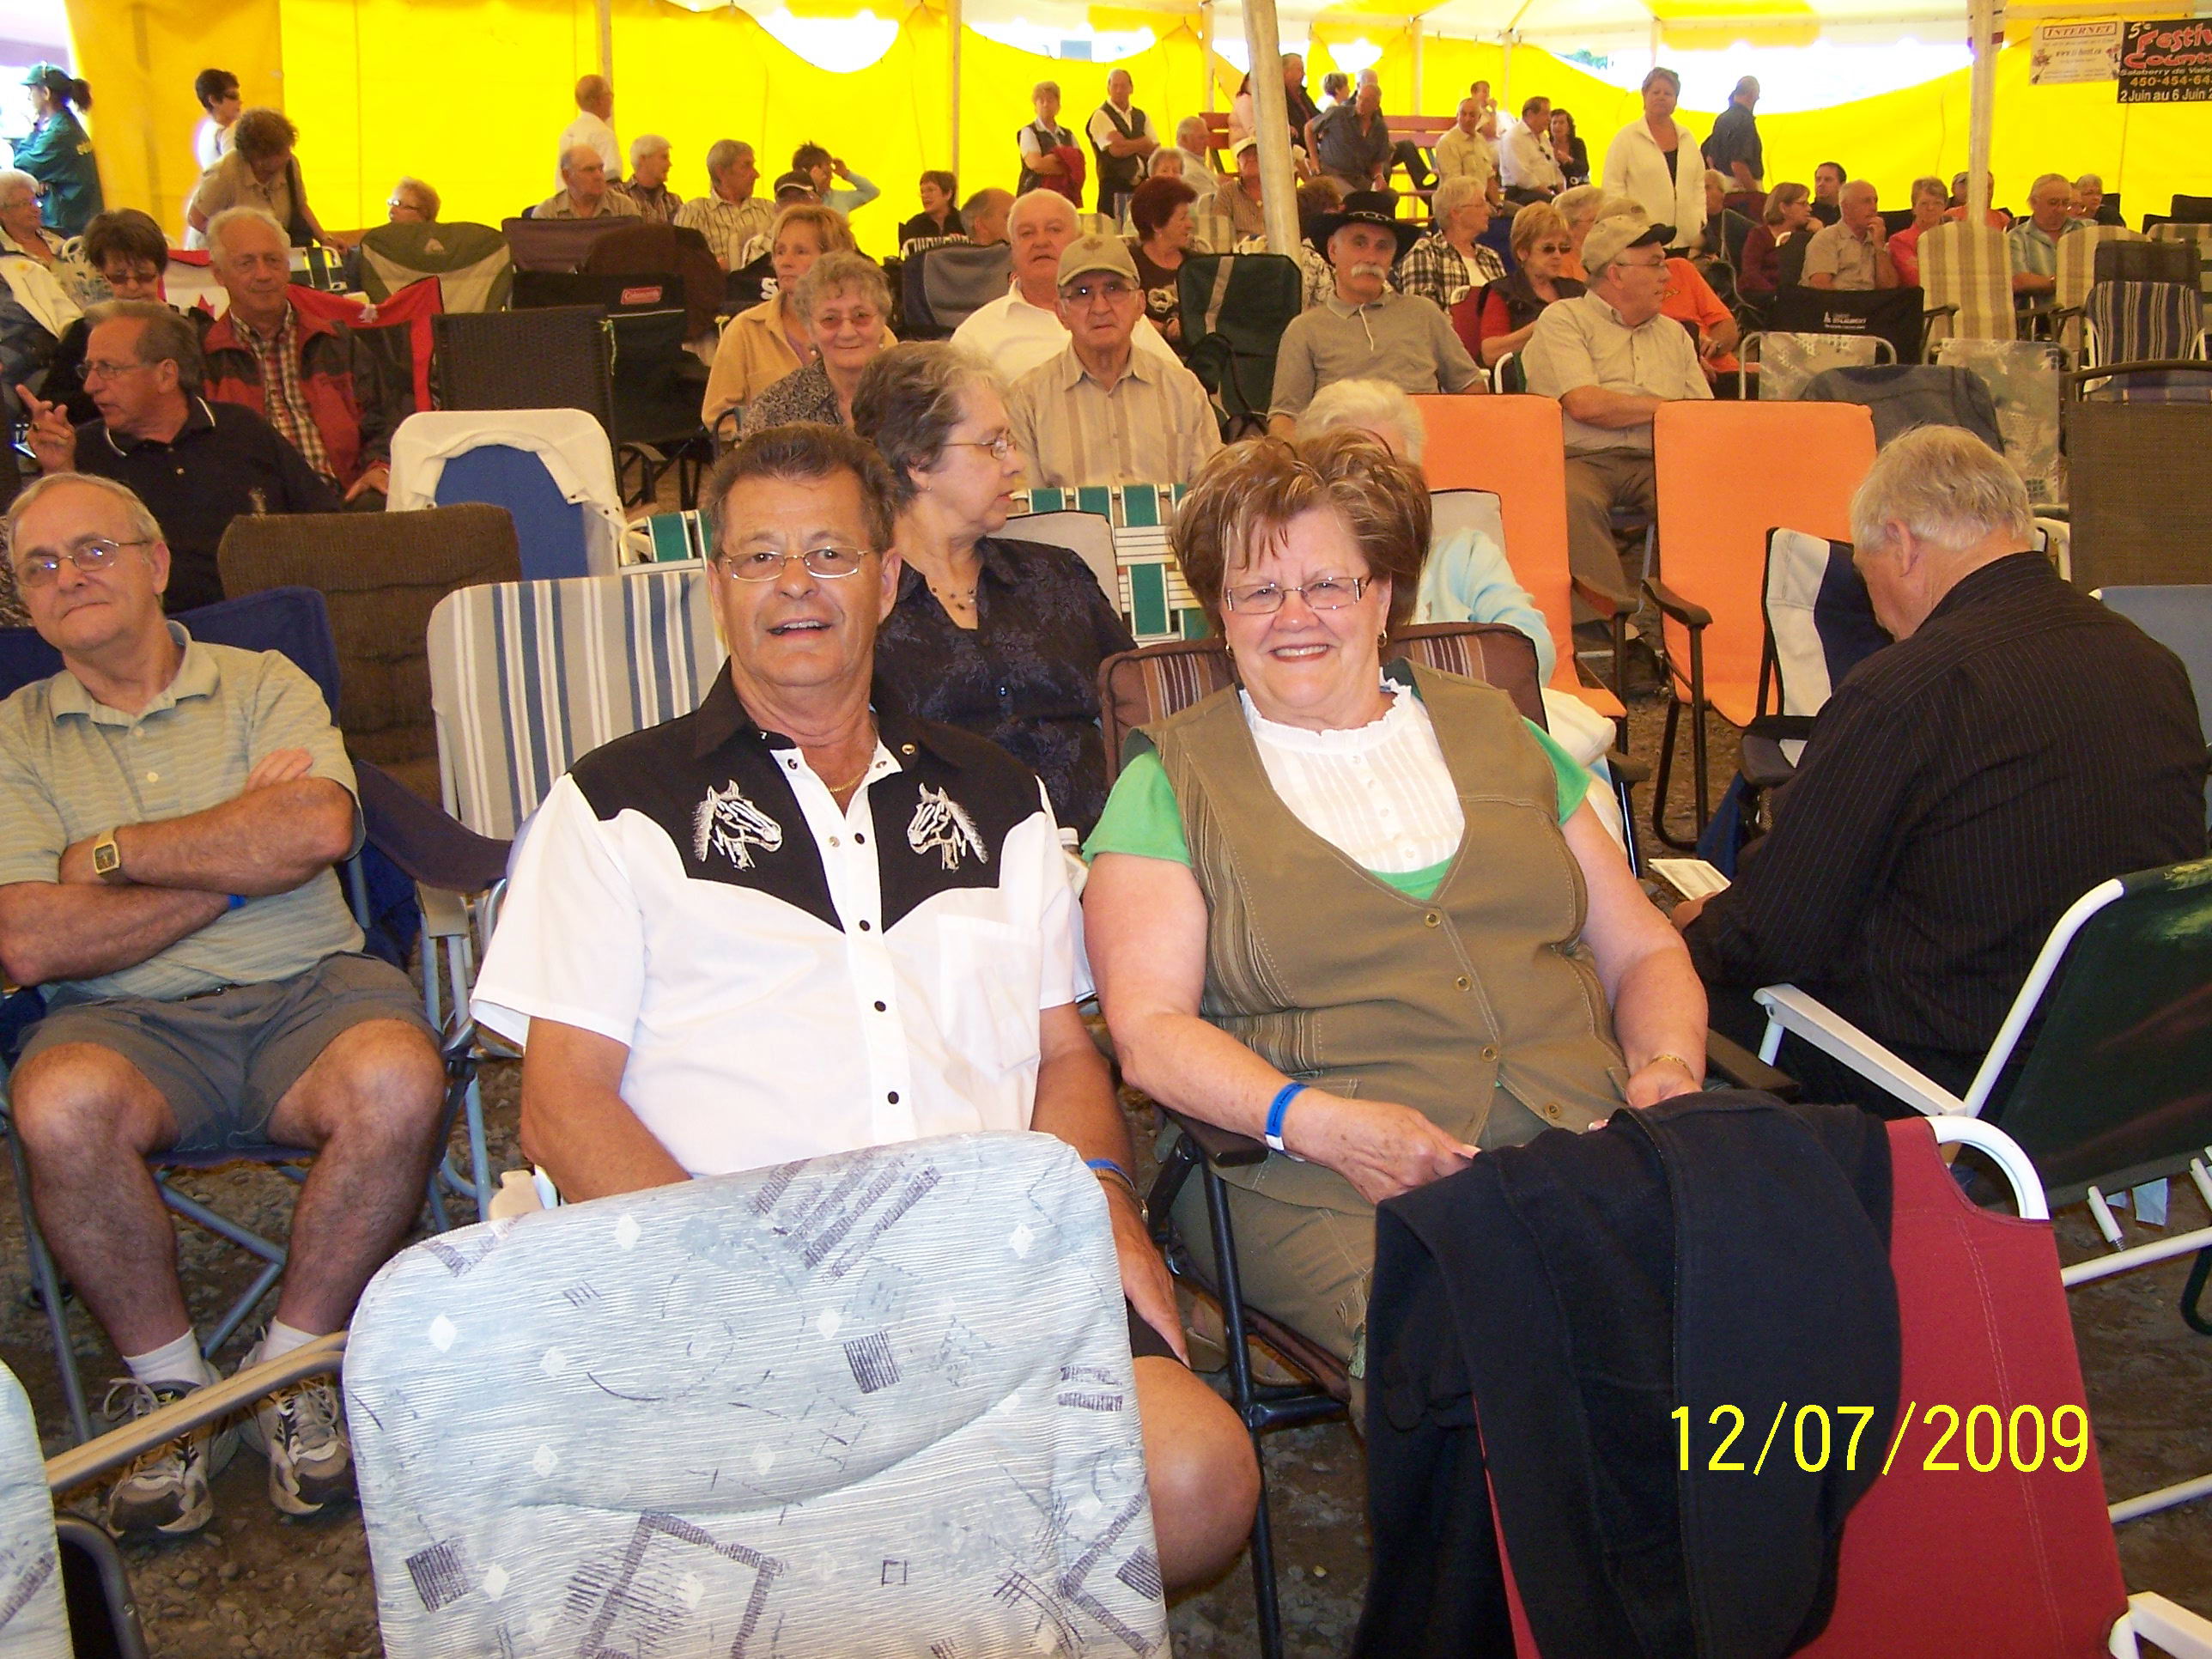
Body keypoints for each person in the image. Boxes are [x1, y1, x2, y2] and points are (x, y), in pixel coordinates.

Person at [471, 421, 1253, 1583]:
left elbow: (1064, 1055)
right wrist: (754, 1290)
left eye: (830, 554)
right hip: (728, 1274)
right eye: (760, 556)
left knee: (1195, 1478)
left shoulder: (997, 797)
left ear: (886, 581)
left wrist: (1103, 1201)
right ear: (717, 589)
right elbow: (561, 1106)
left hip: (987, 1258)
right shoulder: (616, 807)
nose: (795, 584)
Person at [1081, 430, 1706, 1400]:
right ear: (1220, 613)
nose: (1294, 617)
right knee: (1490, 1356)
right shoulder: (1170, 781)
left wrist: (1666, 1065)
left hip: (1585, 1132)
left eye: (1328, 585)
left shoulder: (1500, 731)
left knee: (1741, 1297)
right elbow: (1149, 1033)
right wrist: (1323, 1126)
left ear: (1381, 594)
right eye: (1257, 591)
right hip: (1325, 1175)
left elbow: (1642, 949)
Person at [0, 471, 447, 1535]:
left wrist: (107, 856)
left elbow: (317, 831)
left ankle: (288, 1370)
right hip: (119, 1021)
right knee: (56, 1104)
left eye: (94, 550)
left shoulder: (262, 681)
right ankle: (170, 1390)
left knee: (399, 1077)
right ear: (25, 602)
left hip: (314, 992)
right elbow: (29, 938)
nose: (70, 577)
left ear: (156, 563)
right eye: (41, 566)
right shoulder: (15, 734)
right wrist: (239, 864)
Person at [1677, 426, 2206, 1115]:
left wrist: (1687, 932)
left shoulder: (1906, 691)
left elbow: (1766, 936)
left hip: (1954, 1080)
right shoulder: (2152, 663)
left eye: (1867, 574)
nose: (1878, 613)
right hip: (2132, 1063)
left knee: (1660, 982)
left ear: (1901, 543)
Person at [851, 344, 1136, 839]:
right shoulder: (860, 603)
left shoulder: (1056, 576)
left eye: (1011, 443)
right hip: (947, 861)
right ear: (918, 461)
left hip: (1103, 850)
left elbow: (1142, 710)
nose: (1016, 463)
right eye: (993, 445)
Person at [16, 301, 342, 611]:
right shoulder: (83, 451)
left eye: (109, 369)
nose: (90, 386)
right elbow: (61, 564)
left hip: (267, 614)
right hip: (155, 631)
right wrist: (58, 470)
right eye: (89, 369)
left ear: (166, 375)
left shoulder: (242, 429)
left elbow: (326, 526)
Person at [1521, 209, 1711, 615]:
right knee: (1570, 499)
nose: (1667, 276)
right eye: (1656, 264)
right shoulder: (1564, 319)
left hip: (1658, 458)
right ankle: (1613, 626)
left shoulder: (1675, 334)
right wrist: (1667, 408)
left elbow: (1702, 418)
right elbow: (1585, 404)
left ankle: (1703, 617)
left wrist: (1640, 409)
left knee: (1707, 491)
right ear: (1616, 274)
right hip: (1580, 457)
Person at [1297, 378, 1552, 672]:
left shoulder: (1466, 556)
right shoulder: (1289, 571)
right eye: (1350, 470)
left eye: (1387, 469)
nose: (1370, 488)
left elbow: (1533, 652)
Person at [198, 208, 394, 505]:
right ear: (218, 274)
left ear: (288, 268)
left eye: (273, 260)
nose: (263, 274)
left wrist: (378, 468)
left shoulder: (337, 342)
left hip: (344, 502)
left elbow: (384, 421)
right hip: (254, 511)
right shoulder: (204, 357)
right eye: (246, 263)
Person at [1005, 234, 1222, 493]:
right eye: (1082, 293)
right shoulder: (1027, 400)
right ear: (1061, 313)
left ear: (1140, 304)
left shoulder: (1183, 390)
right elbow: (1026, 506)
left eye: (1114, 289)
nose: (1100, 307)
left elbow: (1210, 497)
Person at [1268, 191, 1478, 435]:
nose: (1371, 258)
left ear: (1392, 257)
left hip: (1425, 447)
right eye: (1359, 243)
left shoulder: (1424, 313)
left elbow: (1471, 387)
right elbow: (1285, 418)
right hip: (1341, 451)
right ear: (1333, 250)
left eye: (1382, 247)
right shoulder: (1305, 329)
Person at [948, 189, 1174, 381]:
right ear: (1012, 248)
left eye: (1054, 229)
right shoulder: (978, 335)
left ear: (1079, 240)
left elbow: (1176, 387)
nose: (1040, 242)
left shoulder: (1118, 314)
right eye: (1026, 233)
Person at [701, 203, 854, 429]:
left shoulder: (868, 331)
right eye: (780, 251)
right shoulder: (745, 329)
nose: (785, 261)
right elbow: (717, 417)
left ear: (834, 259)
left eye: (800, 251)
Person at [739, 252, 888, 434]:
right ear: (810, 329)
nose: (847, 332)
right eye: (830, 319)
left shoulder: (915, 395)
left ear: (883, 322)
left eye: (861, 316)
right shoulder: (774, 411)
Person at [45, 209, 167, 423]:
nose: (132, 286)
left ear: (160, 269)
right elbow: (51, 401)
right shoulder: (84, 331)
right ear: (103, 274)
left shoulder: (192, 325)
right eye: (119, 277)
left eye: (144, 275)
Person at [184, 107, 337, 251]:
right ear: (258, 157)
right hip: (217, 255)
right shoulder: (224, 172)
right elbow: (195, 219)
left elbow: (301, 205)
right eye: (281, 152)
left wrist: (325, 239)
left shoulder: (290, 164)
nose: (288, 156)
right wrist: (234, 241)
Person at [1461, 200, 1583, 368]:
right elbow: (1490, 353)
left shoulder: (1577, 291)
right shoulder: (1503, 292)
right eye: (1548, 249)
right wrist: (1541, 327)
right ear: (1523, 252)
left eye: (1563, 248)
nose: (1557, 255)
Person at [1601, 68, 1705, 254]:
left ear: (1676, 99)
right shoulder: (1626, 137)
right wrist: (1629, 225)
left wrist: (1699, 219)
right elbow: (1612, 186)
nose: (1661, 97)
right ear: (1644, 94)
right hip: (1642, 239)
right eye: (1656, 92)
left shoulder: (1688, 138)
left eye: (1668, 93)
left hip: (1685, 239)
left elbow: (1698, 184)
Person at [1395, 175, 1505, 312]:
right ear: (1456, 213)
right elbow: (1421, 313)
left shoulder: (1491, 257)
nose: (1489, 211)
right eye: (1481, 204)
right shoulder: (1425, 252)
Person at [15, 65, 102, 237]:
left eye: (31, 91)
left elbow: (22, 166)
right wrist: (43, 179)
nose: (29, 97)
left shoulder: (58, 134)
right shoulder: (68, 125)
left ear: (45, 93)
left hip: (66, 225)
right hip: (78, 218)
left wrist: (34, 130)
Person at [676, 140, 773, 271]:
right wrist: (714, 266)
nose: (756, 174)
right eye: (746, 166)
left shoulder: (768, 208)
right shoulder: (695, 211)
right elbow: (682, 262)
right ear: (721, 173)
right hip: (718, 282)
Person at [0, 168, 94, 303]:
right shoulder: (4, 257)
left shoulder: (60, 237)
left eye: (35, 201)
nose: (36, 209)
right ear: (3, 212)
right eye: (25, 204)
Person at [1127, 174, 1198, 346]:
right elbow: (1124, 315)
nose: (1190, 224)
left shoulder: (1197, 265)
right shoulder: (1129, 265)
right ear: (1157, 225)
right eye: (1182, 218)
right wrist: (1165, 329)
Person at [1802, 179, 1898, 292]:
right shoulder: (1826, 238)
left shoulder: (1876, 239)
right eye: (1866, 201)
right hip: (1839, 300)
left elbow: (1889, 288)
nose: (1874, 208)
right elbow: (1820, 287)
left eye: (1875, 201)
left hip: (1871, 300)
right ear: (1846, 207)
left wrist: (1879, 247)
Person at [1085, 68, 1158, 217]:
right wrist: (1143, 142)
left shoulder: (1141, 115)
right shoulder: (1100, 115)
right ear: (1108, 89)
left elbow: (1155, 149)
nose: (1119, 90)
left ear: (1131, 88)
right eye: (1115, 86)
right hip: (1113, 190)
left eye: (1123, 86)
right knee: (1113, 229)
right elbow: (1117, 150)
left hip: (1141, 188)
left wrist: (1126, 143)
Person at [2009, 173, 2080, 310]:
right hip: (2040, 316)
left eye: (2066, 203)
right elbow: (2019, 281)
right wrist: (2061, 283)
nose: (2060, 209)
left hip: (2084, 313)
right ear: (2033, 203)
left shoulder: (2084, 230)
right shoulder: (2017, 237)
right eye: (2053, 203)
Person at [1312, 77, 1394, 196]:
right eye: (1359, 98)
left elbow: (1377, 161)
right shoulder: (1338, 114)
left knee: (1388, 197)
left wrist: (1379, 176)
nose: (1361, 103)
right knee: (1355, 197)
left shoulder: (1379, 127)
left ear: (1376, 106)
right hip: (1332, 173)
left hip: (1358, 177)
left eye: (1367, 101)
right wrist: (1314, 161)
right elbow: (1309, 128)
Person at [1737, 180, 1811, 302]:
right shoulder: (1759, 235)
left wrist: (1820, 232)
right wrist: (1776, 295)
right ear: (1783, 208)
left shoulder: (1806, 235)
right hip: (1765, 296)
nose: (1809, 208)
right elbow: (1750, 273)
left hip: (1798, 296)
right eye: (1803, 204)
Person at [532, 143, 641, 221]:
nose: (599, 176)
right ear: (567, 176)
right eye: (589, 170)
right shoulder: (548, 213)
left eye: (601, 169)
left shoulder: (623, 207)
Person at [1433, 97, 1500, 205]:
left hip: (1482, 201)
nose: (1467, 119)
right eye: (1463, 114)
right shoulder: (1447, 142)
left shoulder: (1481, 141)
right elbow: (1455, 185)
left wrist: (1498, 205)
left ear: (1479, 118)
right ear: (1457, 116)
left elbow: (1489, 178)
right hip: (1459, 205)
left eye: (1472, 115)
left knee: (1518, 212)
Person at [1017, 82, 1078, 199]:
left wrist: (1052, 160)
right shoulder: (1028, 132)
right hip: (1033, 197)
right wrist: (1066, 164)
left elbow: (1079, 165)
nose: (1045, 104)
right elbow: (1036, 164)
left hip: (1063, 197)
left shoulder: (1068, 135)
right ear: (1035, 106)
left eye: (1050, 100)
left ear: (1058, 106)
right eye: (1041, 101)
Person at [1886, 175, 1948, 289]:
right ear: (1914, 208)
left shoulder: (1953, 238)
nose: (1930, 208)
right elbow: (1914, 279)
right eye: (1924, 203)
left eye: (1937, 203)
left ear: (1945, 207)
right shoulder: (1900, 240)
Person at [1498, 95, 1563, 204]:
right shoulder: (1514, 137)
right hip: (1523, 193)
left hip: (1548, 191)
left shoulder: (1543, 137)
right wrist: (1551, 195)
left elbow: (1554, 167)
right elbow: (1522, 177)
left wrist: (1563, 193)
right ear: (1530, 114)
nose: (1549, 119)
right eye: (1545, 114)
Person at [1705, 76, 1763, 194]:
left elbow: (1709, 157)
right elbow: (1738, 163)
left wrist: (1720, 182)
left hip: (1722, 186)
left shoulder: (1721, 119)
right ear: (1752, 94)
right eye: (1757, 96)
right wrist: (1754, 194)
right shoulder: (1745, 121)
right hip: (1742, 188)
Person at [792, 141, 879, 220]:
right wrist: (812, 185)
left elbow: (871, 192)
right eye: (826, 173)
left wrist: (846, 174)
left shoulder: (839, 198)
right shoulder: (793, 201)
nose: (831, 178)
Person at [558, 74, 620, 177]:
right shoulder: (603, 134)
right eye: (610, 94)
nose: (612, 98)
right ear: (599, 100)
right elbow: (612, 178)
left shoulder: (567, 133)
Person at [614, 134, 681, 224]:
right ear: (643, 159)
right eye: (664, 157)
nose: (669, 164)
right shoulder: (617, 196)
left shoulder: (673, 201)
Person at [1700, 168, 1753, 270]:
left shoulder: (1736, 220)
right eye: (1700, 189)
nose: (1702, 193)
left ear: (1722, 192)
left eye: (1707, 187)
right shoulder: (1696, 223)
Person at [191, 68, 240, 174]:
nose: (239, 102)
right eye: (233, 96)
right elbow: (237, 175)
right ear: (213, 100)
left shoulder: (206, 130)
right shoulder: (225, 133)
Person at [1218, 135, 1267, 240]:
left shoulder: (1277, 191)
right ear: (1238, 164)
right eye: (1246, 155)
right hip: (1242, 249)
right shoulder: (1227, 192)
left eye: (1256, 154)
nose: (1252, 158)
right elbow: (1219, 232)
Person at [898, 170, 962, 245]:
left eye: (930, 190)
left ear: (948, 194)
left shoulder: (965, 223)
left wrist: (962, 244)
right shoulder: (914, 225)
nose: (924, 196)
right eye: (922, 192)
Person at [1549, 107, 1589, 190]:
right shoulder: (1545, 144)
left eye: (1561, 123)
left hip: (1577, 186)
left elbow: (1585, 168)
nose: (1557, 126)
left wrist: (1569, 160)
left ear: (1569, 127)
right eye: (1554, 123)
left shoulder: (1577, 143)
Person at [1809, 161, 1845, 226]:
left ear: (1842, 185)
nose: (1821, 184)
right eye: (1818, 179)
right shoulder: (1807, 215)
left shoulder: (1848, 215)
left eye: (1828, 180)